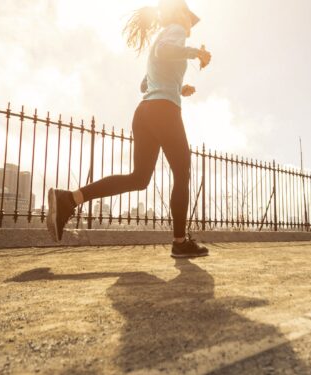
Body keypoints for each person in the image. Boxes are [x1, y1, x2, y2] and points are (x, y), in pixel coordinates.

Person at [46, 0, 212, 258]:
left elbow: (146, 84)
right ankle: (180, 241)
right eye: (190, 17)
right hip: (164, 112)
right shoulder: (176, 30)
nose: (191, 23)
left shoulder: (161, 38)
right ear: (180, 13)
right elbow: (167, 51)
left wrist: (179, 89)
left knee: (139, 178)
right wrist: (196, 53)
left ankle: (69, 199)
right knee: (182, 171)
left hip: (145, 113)